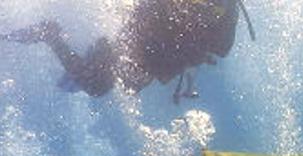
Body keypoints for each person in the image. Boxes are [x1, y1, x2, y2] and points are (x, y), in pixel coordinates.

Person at [4, 0, 244, 100]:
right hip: (139, 45)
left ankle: (53, 36)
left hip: (155, 56)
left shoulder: (227, 8)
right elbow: (143, 13)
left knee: (113, 85)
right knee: (97, 85)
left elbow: (222, 49)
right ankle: (51, 35)